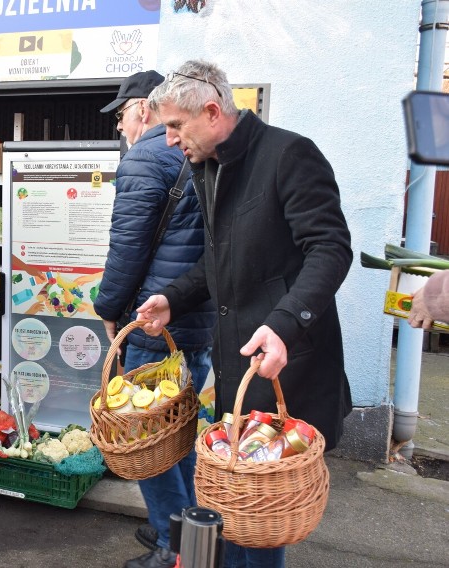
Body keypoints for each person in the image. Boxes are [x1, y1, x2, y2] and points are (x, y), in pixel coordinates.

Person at [137, 60, 353, 568]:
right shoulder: (208, 165)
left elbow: (330, 249)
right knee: (229, 504)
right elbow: (221, 260)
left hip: (285, 366)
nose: (168, 140)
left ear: (212, 112)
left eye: (174, 126)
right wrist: (174, 297)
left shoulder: (289, 154)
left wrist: (282, 325)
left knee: (261, 517)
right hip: (236, 368)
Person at [94, 70, 216, 568]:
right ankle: (190, 533)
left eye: (121, 113)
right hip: (197, 317)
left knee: (146, 436)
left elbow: (127, 247)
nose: (120, 125)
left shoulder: (146, 154)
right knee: (178, 427)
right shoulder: (199, 152)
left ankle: (172, 546)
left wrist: (107, 308)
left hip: (151, 320)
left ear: (143, 108)